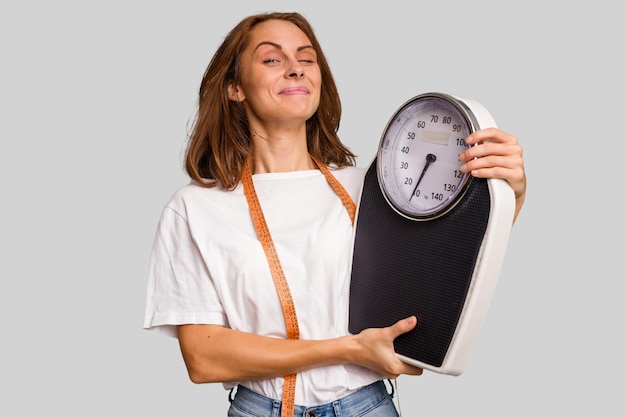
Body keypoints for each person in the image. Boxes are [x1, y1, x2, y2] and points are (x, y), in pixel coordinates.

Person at [143, 11, 526, 417]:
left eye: (307, 59)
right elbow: (204, 359)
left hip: (368, 407)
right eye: (272, 59)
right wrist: (349, 349)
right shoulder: (194, 209)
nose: (295, 69)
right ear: (235, 87)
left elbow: (453, 259)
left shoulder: (375, 188)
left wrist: (508, 191)